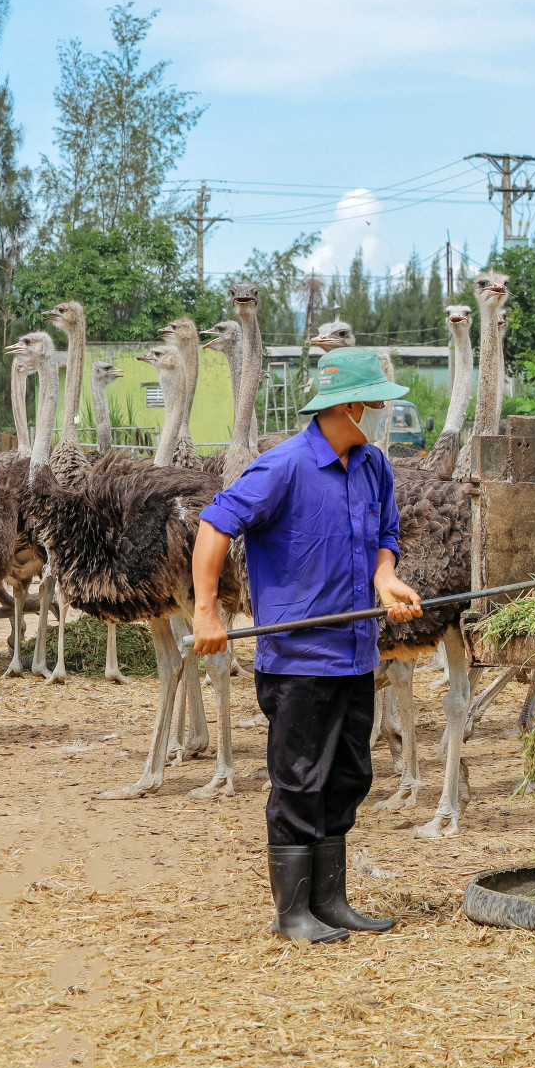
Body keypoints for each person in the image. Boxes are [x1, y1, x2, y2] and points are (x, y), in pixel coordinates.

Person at [191, 346, 424, 944]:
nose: (383, 415)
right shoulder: (284, 466)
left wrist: (387, 577)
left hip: (354, 652)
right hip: (298, 659)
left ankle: (331, 901)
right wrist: (205, 610)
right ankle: (292, 912)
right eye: (377, 405)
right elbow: (215, 525)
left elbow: (385, 536)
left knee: (348, 776)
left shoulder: (373, 466)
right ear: (349, 406)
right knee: (298, 780)